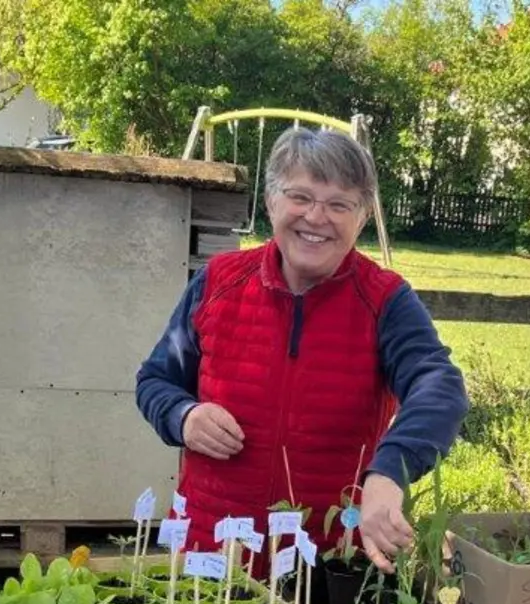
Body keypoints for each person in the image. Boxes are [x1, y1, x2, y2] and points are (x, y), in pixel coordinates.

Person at [135, 126, 468, 575]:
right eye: (301, 197)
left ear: (362, 218)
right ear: (271, 202)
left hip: (331, 564)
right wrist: (183, 415)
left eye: (339, 205)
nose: (317, 217)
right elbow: (156, 380)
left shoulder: (385, 301)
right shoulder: (218, 282)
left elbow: (440, 388)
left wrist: (389, 472)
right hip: (210, 552)